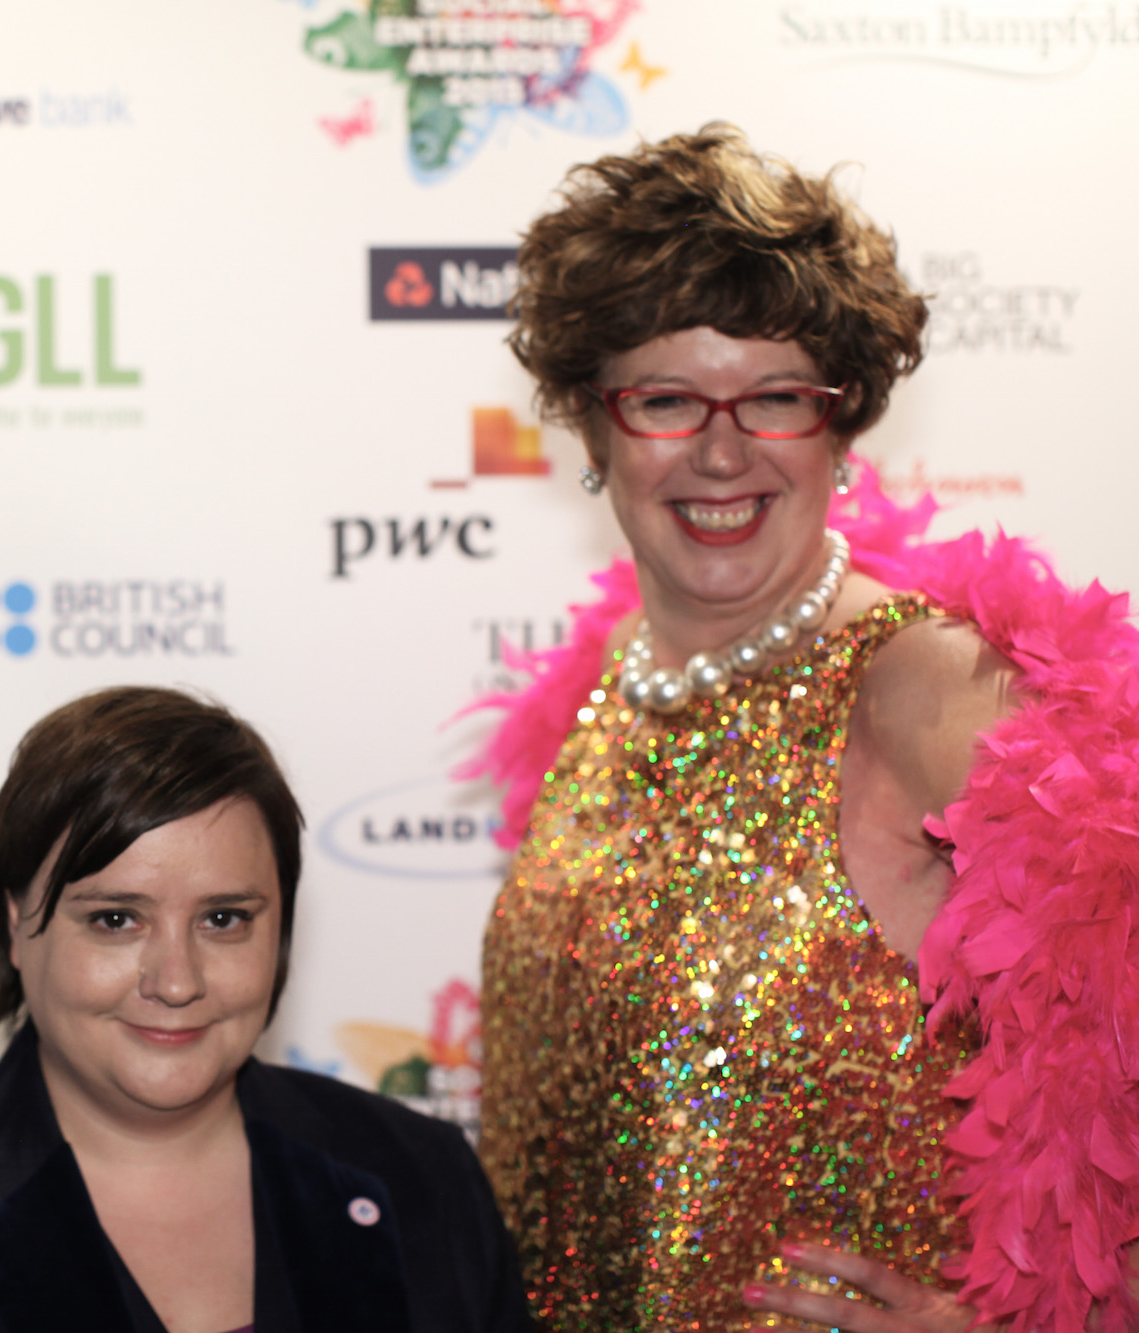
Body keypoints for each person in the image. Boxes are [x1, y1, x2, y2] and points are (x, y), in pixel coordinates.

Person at [465, 124, 1139, 1333]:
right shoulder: (604, 692)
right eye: (665, 397)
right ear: (591, 425)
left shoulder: (925, 685)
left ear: (840, 425)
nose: (720, 450)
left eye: (773, 398)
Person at [0, 686, 533, 1333]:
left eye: (224, 918)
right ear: (17, 925)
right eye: (116, 918)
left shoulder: (422, 1177)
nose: (176, 978)